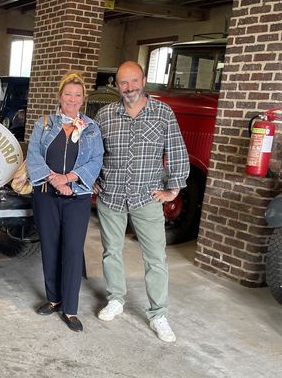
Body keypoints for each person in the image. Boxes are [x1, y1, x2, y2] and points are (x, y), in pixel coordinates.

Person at [93, 61, 189, 343]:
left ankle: (158, 314)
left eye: (134, 81)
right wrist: (94, 178)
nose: (129, 88)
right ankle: (116, 300)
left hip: (147, 196)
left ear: (143, 80)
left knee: (156, 258)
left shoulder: (162, 113)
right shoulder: (106, 115)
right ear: (117, 85)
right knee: (111, 251)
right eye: (123, 83)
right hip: (111, 194)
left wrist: (174, 189)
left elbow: (177, 150)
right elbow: (95, 151)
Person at [26, 72, 104, 332]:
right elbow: (34, 153)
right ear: (60, 96)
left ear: (83, 99)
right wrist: (55, 180)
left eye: (78, 95)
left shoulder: (91, 128)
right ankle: (53, 298)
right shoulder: (45, 123)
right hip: (47, 193)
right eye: (68, 94)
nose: (72, 99)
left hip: (77, 197)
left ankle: (70, 308)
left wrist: (70, 180)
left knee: (72, 250)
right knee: (49, 247)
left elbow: (96, 160)